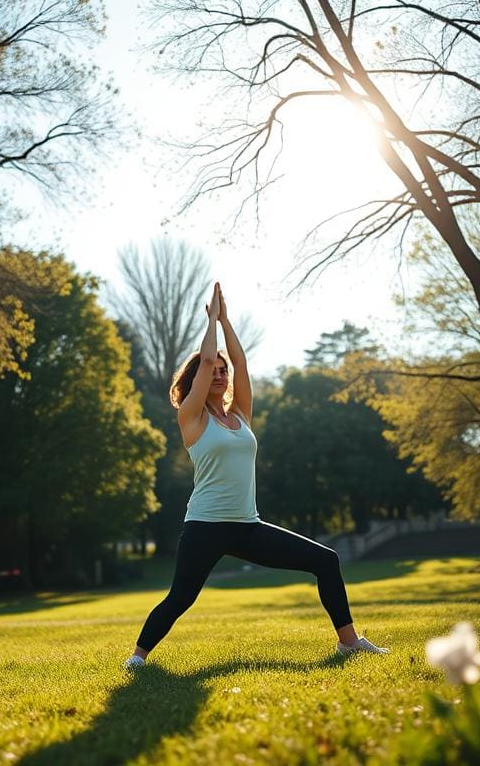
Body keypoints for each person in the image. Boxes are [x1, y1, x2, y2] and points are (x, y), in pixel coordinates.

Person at [125, 282, 389, 669]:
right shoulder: (193, 418)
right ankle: (137, 659)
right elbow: (205, 368)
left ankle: (349, 643)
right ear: (198, 378)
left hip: (248, 526)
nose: (218, 374)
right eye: (210, 370)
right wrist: (211, 321)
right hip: (205, 526)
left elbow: (241, 364)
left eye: (221, 371)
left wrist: (227, 321)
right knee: (181, 597)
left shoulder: (241, 415)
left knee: (326, 561)